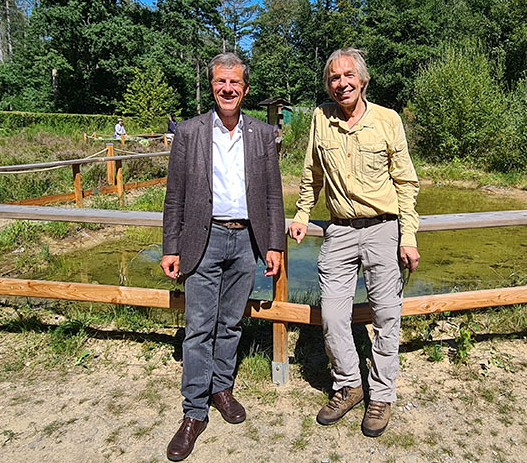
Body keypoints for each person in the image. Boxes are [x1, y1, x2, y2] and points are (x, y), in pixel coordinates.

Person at [287, 47, 420, 437]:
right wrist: (301, 214)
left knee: (386, 317)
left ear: (362, 80)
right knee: (331, 315)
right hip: (340, 231)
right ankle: (348, 384)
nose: (341, 83)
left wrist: (407, 235)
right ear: (328, 84)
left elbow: (406, 182)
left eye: (348, 76)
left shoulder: (387, 120)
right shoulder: (320, 119)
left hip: (384, 229)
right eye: (333, 77)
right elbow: (312, 173)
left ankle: (381, 394)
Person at [161, 53, 285, 461]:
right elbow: (174, 195)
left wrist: (273, 244)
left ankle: (221, 389)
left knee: (231, 323)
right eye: (220, 83)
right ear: (212, 86)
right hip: (203, 238)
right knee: (198, 328)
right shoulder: (190, 132)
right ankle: (194, 412)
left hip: (245, 240)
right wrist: (171, 246)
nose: (227, 89)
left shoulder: (263, 135)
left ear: (245, 89)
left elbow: (271, 195)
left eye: (234, 83)